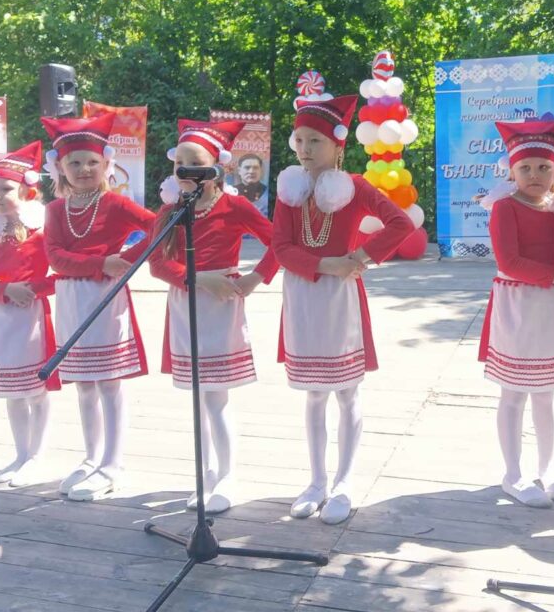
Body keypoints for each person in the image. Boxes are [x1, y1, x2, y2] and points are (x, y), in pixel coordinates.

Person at [272, 93, 415, 525]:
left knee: (346, 390)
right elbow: (281, 248)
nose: (304, 149)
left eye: (314, 140)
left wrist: (360, 257)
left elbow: (401, 223)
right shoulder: (289, 190)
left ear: (338, 144)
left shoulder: (355, 186)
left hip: (340, 301)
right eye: (299, 140)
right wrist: (324, 264)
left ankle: (345, 482)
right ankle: (316, 482)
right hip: (302, 296)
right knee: (314, 392)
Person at [148, 119, 278, 514]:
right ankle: (204, 475)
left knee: (216, 396)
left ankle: (227, 476)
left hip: (221, 306)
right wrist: (197, 278)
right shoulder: (171, 210)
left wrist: (255, 278)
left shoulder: (233, 206)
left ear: (216, 168)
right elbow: (157, 263)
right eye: (179, 163)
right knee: (197, 397)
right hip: (186, 302)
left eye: (196, 163)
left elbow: (279, 243)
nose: (186, 170)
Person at [41, 112, 157, 501]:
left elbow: (160, 228)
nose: (84, 169)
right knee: (84, 384)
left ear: (106, 163)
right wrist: (100, 262)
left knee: (109, 382)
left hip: (107, 299)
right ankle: (91, 456)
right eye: (75, 162)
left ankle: (113, 462)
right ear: (61, 167)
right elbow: (55, 257)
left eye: (92, 161)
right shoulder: (55, 210)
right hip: (72, 299)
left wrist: (125, 261)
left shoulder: (116, 204)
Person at [477, 117, 554, 508]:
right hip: (518, 304)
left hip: (552, 306)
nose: (535, 174)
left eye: (543, 167)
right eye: (526, 167)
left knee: (546, 393)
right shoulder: (505, 208)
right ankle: (512, 474)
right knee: (514, 392)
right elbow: (510, 261)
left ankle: (548, 469)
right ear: (512, 171)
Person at [0, 142, 59, 488]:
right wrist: (4, 290)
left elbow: (60, 273)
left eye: (5, 189)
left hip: (30, 317)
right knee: (12, 391)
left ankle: (38, 456)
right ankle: (21, 454)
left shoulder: (42, 230)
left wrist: (32, 289)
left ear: (26, 189)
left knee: (35, 389)